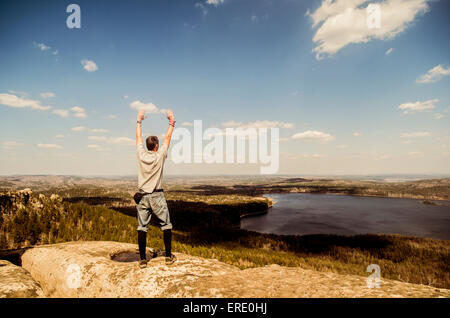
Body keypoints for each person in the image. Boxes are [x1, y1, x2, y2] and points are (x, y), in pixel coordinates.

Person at [135, 109, 176, 268]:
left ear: (146, 145)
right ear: (156, 146)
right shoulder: (160, 156)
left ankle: (143, 260)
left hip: (142, 196)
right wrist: (171, 121)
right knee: (166, 225)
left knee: (142, 227)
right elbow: (168, 137)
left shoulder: (140, 154)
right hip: (157, 196)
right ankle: (168, 257)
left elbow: (138, 137)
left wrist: (139, 121)